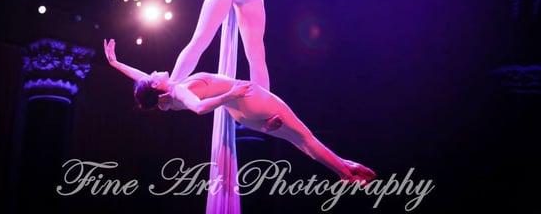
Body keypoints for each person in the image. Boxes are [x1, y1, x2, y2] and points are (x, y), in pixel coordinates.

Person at [104, 39, 376, 182]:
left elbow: (143, 82)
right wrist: (229, 94)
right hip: (248, 100)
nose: (153, 71)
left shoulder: (164, 102)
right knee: (305, 137)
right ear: (159, 88)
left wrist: (116, 63)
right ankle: (345, 172)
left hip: (245, 115)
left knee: (300, 142)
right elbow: (199, 108)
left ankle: (343, 168)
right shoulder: (177, 91)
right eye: (153, 76)